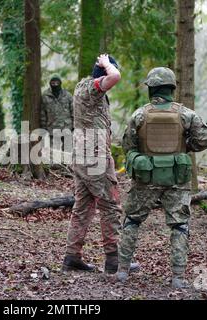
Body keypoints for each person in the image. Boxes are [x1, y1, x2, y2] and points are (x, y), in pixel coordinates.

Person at [118, 67, 207, 288]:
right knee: (179, 226)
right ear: (171, 88)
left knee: (132, 221)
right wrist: (185, 145)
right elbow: (206, 139)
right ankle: (178, 277)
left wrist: (143, 157)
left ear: (151, 89)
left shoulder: (139, 115)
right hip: (176, 181)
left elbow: (128, 146)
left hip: (146, 180)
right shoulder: (186, 114)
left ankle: (122, 271)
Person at [62, 54, 139, 274]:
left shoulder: (82, 86)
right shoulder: (94, 88)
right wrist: (107, 64)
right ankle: (113, 260)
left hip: (80, 156)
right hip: (94, 157)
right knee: (110, 206)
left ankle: (72, 257)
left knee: (83, 207)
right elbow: (115, 76)